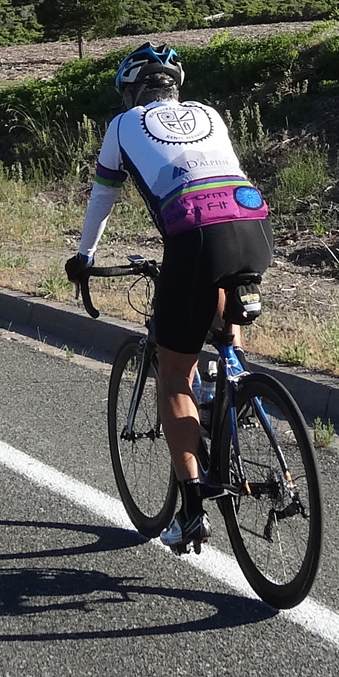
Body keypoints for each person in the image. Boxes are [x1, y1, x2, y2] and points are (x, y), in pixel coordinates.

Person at [65, 43, 272, 554]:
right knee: (220, 291)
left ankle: (193, 511)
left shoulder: (122, 125)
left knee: (175, 376)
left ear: (131, 91)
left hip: (194, 237)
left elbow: (103, 195)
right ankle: (229, 378)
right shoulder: (209, 113)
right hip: (254, 227)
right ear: (175, 87)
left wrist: (84, 257)